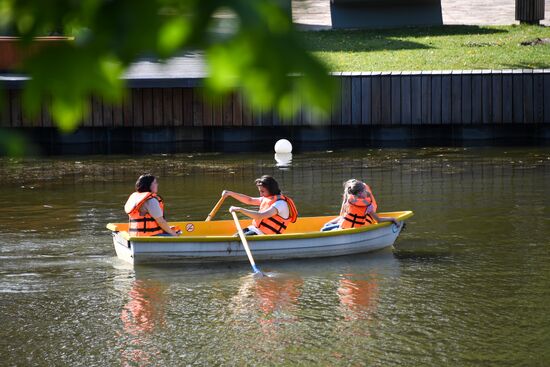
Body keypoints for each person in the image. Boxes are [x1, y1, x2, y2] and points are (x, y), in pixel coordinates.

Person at [223, 175, 298, 235]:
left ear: (271, 189)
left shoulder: (280, 204)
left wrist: (240, 209)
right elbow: (249, 200)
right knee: (235, 236)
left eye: (263, 191)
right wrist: (230, 193)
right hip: (254, 229)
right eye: (260, 191)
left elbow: (260, 215)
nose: (260, 194)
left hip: (265, 235)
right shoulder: (267, 198)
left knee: (237, 239)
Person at [321, 179, 399, 231]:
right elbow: (378, 220)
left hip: (342, 228)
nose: (367, 192)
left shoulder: (349, 200)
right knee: (326, 227)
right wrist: (393, 219)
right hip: (354, 230)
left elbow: (343, 214)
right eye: (365, 190)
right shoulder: (368, 206)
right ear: (360, 193)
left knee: (324, 228)